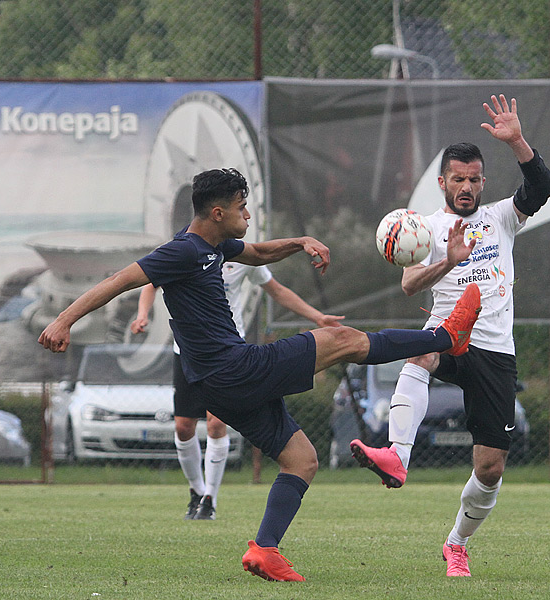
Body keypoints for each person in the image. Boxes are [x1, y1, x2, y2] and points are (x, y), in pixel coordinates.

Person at [38, 167, 482, 582]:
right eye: (240, 207)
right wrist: (63, 320)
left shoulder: (214, 247)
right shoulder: (182, 251)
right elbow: (118, 280)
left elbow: (255, 253)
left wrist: (301, 241)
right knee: (341, 338)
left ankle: (265, 549)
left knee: (301, 459)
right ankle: (446, 338)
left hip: (222, 385)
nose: (247, 214)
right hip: (235, 369)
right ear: (217, 213)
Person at [350, 94, 550, 577]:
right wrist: (448, 261)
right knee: (418, 356)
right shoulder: (427, 229)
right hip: (447, 335)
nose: (466, 187)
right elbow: (408, 285)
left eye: (473, 179)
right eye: (457, 180)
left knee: (490, 470)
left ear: (483, 182)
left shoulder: (502, 217)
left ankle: (457, 542)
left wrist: (518, 141)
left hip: (494, 351)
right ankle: (396, 457)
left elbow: (541, 188)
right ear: (442, 183)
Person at [130, 264, 345, 521]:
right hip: (189, 352)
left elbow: (276, 289)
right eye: (242, 218)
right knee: (183, 428)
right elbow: (151, 281)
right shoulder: (186, 252)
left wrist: (317, 317)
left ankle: (210, 499)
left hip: (229, 352)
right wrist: (143, 314)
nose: (244, 221)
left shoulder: (242, 255)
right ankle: (197, 491)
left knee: (217, 423)